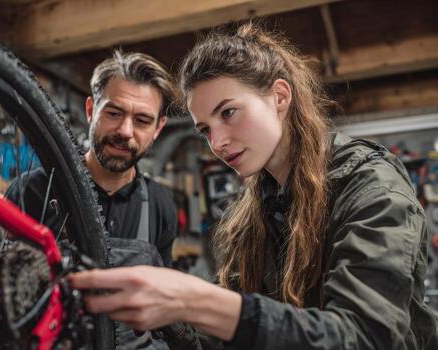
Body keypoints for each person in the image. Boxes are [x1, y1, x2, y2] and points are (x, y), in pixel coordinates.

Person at [68, 23, 438, 350]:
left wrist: (196, 302)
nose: (218, 142)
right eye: (206, 129)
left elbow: (364, 337)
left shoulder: (370, 185)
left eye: (228, 113)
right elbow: (227, 337)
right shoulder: (255, 210)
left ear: (279, 96)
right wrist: (163, 310)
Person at [6, 51, 179, 349]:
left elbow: (161, 309)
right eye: (113, 113)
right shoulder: (32, 191)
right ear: (90, 109)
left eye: (142, 120)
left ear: (158, 128)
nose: (125, 131)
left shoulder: (160, 205)